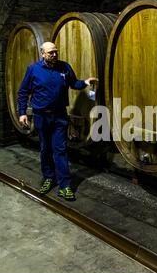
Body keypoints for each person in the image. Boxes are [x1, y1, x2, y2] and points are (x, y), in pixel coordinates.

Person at [17, 42, 97, 201]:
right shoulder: (33, 69)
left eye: (56, 52)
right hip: (41, 116)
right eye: (50, 52)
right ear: (42, 53)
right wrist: (22, 113)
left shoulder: (64, 67)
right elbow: (23, 92)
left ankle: (65, 186)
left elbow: (74, 83)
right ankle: (48, 177)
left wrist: (85, 83)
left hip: (59, 116)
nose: (54, 55)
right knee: (45, 148)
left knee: (60, 150)